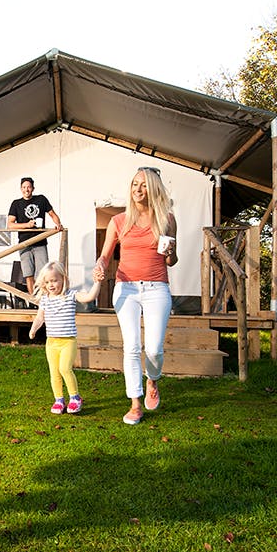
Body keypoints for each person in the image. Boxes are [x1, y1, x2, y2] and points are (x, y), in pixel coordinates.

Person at [93, 167, 178, 425]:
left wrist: (171, 252)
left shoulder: (166, 219)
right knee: (131, 347)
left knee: (153, 349)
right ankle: (135, 403)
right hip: (126, 288)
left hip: (157, 289)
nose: (137, 190)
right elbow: (105, 255)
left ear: (152, 189)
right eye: (134, 184)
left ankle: (152, 379)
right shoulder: (119, 221)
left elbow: (172, 261)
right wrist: (99, 266)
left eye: (143, 185)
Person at [29, 261, 101, 415]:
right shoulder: (45, 299)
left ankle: (75, 398)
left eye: (54, 280)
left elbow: (89, 296)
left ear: (63, 279)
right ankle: (59, 400)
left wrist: (97, 282)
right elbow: (40, 317)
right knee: (54, 372)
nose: (51, 285)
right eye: (47, 282)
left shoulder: (71, 295)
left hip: (68, 341)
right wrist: (33, 329)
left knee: (65, 369)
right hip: (51, 343)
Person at [7, 177, 63, 299]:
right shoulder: (16, 203)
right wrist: (27, 225)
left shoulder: (41, 199)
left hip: (40, 242)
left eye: (29, 187)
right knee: (28, 274)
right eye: (24, 187)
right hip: (24, 243)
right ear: (21, 189)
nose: (26, 190)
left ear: (33, 188)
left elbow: (52, 214)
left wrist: (58, 224)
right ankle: (34, 301)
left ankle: (43, 299)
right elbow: (10, 224)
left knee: (43, 273)